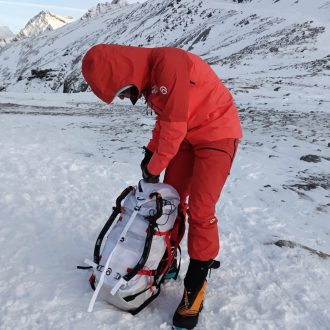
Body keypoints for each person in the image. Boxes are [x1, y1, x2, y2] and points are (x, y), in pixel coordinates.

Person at [82, 44, 242, 329]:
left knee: (202, 210)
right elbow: (165, 122)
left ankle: (197, 282)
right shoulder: (151, 79)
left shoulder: (170, 63)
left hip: (217, 134)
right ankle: (167, 258)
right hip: (185, 139)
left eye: (122, 91)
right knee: (169, 201)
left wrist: (154, 166)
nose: (127, 97)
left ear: (124, 72)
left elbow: (174, 125)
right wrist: (150, 152)